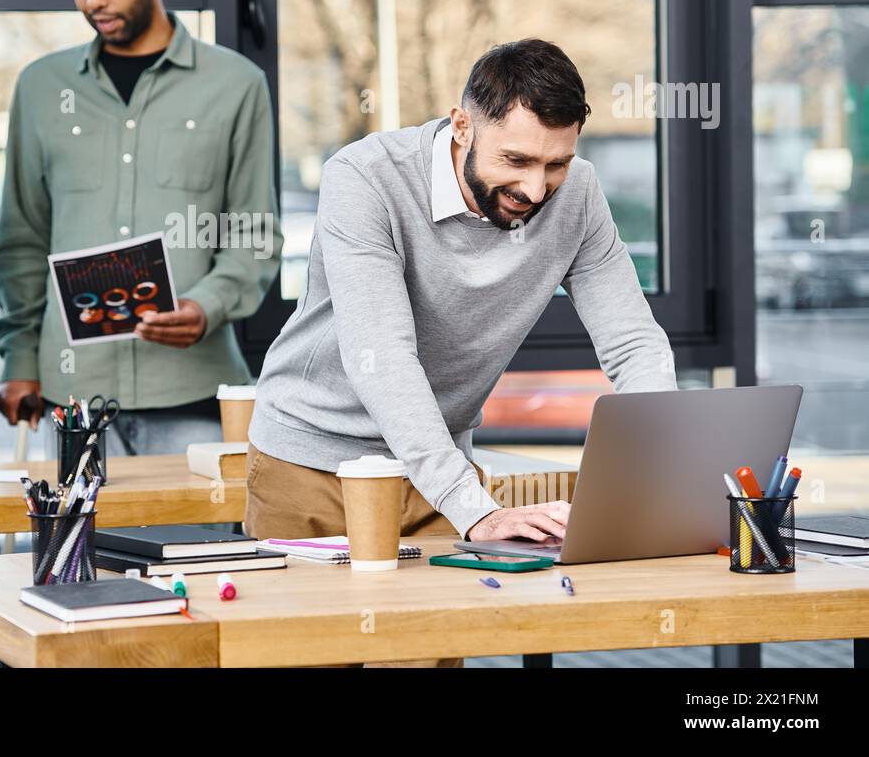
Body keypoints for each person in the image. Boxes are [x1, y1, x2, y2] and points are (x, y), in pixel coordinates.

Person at [247, 38, 677, 546]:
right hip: (312, 466)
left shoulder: (577, 193)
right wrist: (472, 507)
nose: (535, 190)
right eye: (515, 159)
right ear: (461, 125)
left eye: (555, 163)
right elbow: (381, 356)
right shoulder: (365, 178)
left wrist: (663, 471)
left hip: (442, 473)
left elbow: (632, 342)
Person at [0, 0, 281, 455]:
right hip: (71, 399)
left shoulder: (236, 85)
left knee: (199, 545)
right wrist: (19, 360)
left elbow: (253, 234)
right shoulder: (40, 89)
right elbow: (22, 240)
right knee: (78, 546)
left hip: (194, 396)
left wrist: (206, 305)